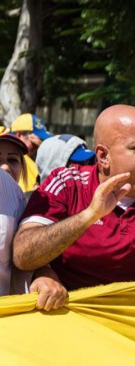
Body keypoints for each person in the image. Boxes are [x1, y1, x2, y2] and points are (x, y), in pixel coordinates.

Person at [12, 104, 135, 296]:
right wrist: (90, 215)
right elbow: (22, 256)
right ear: (103, 156)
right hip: (71, 324)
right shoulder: (67, 184)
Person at [0, 128, 65, 309]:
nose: (5, 167)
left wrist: (43, 273)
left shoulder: (21, 202)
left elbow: (22, 260)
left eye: (12, 160)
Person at [11, 113, 53, 192]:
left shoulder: (33, 158)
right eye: (33, 143)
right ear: (19, 135)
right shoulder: (18, 159)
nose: (37, 146)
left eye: (41, 141)